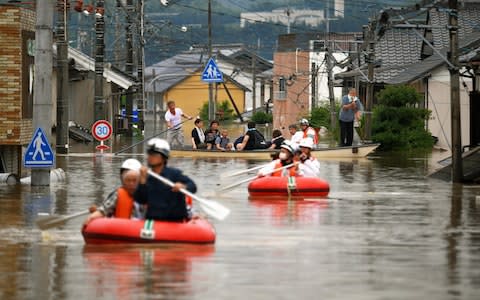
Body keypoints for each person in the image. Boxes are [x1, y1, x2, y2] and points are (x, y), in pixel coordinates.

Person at [134, 138, 197, 221]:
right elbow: (141, 200)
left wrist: (183, 187)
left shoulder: (175, 174)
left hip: (175, 221)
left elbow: (193, 186)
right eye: (149, 154)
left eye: (154, 155)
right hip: (154, 221)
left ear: (164, 158)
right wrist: (142, 181)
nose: (150, 157)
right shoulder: (145, 177)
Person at [84, 158, 143, 224]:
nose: (131, 183)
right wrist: (95, 214)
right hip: (120, 228)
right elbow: (104, 210)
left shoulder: (146, 194)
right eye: (127, 178)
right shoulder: (117, 195)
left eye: (134, 179)